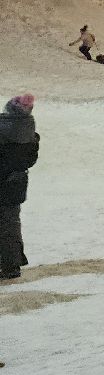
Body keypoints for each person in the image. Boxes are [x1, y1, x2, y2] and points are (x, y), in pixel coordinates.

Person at [0, 93, 39, 279]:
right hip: (17, 184)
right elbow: (31, 159)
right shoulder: (29, 129)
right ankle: (13, 262)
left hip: (3, 180)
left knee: (6, 225)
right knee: (11, 224)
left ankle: (9, 266)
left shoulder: (3, 128)